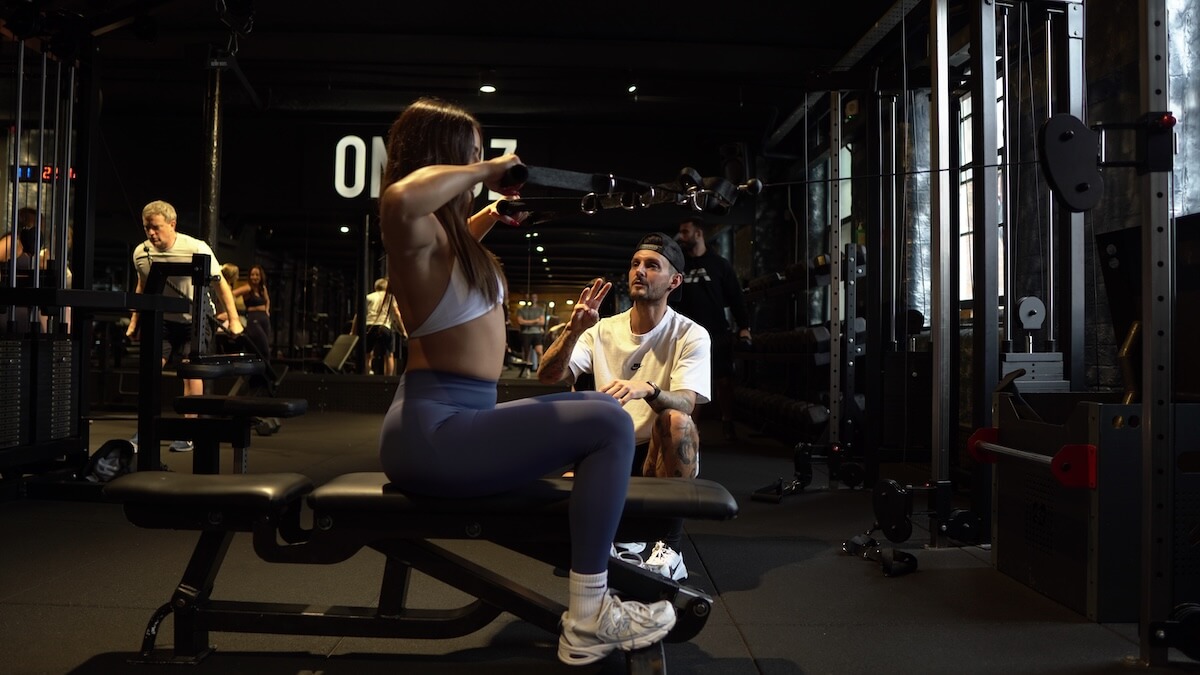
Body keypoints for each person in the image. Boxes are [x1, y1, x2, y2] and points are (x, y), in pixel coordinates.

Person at [376, 96, 676, 666]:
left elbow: (453, 234)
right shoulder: (407, 225)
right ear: (441, 158)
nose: (474, 165)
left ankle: (596, 600)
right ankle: (590, 615)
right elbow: (402, 197)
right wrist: (491, 170)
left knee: (597, 425)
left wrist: (494, 215)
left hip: (454, 423)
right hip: (435, 430)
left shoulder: (446, 243)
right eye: (466, 154)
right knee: (609, 421)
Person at [537, 232, 711, 583]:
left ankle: (669, 549)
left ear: (674, 280)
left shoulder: (690, 334)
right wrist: (573, 330)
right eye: (635, 264)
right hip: (607, 450)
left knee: (678, 421)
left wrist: (647, 388)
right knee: (559, 517)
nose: (639, 271)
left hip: (654, 453)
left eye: (652, 265)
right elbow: (548, 376)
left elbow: (687, 402)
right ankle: (623, 536)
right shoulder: (600, 330)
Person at [126, 200, 243, 453]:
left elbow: (221, 284)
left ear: (172, 224)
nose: (151, 233)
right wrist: (134, 321)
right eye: (147, 228)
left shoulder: (195, 248)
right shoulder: (141, 252)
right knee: (150, 371)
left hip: (197, 318)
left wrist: (233, 319)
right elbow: (143, 286)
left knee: (191, 371)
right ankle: (146, 427)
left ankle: (188, 432)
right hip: (163, 320)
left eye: (156, 227)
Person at [674, 217, 752, 440]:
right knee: (689, 382)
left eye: (685, 231)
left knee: (723, 381)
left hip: (717, 332)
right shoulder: (681, 266)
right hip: (687, 334)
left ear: (699, 234)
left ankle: (727, 421)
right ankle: (689, 430)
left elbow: (736, 298)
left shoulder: (719, 264)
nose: (681, 236)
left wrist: (744, 327)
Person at [363, 277, 402, 375]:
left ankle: (366, 375)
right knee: (389, 354)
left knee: (367, 354)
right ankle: (388, 378)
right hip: (384, 326)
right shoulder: (390, 297)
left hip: (369, 325)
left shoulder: (369, 297)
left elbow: (359, 314)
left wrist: (353, 330)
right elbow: (397, 314)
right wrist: (403, 329)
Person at [232, 264, 272, 360]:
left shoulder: (262, 288)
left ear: (261, 276)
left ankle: (260, 373)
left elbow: (267, 300)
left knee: (264, 347)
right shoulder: (248, 288)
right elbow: (232, 294)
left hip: (264, 319)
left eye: (257, 275)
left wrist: (267, 311)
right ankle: (264, 372)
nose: (255, 277)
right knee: (263, 349)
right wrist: (233, 311)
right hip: (254, 319)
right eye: (252, 275)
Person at [515, 292, 545, 369]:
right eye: (532, 297)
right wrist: (535, 321)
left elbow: (542, 322)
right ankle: (526, 370)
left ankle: (541, 369)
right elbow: (520, 321)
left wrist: (527, 322)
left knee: (539, 352)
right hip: (526, 333)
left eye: (535, 297)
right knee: (526, 353)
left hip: (537, 333)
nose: (533, 299)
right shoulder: (522, 310)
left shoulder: (540, 309)